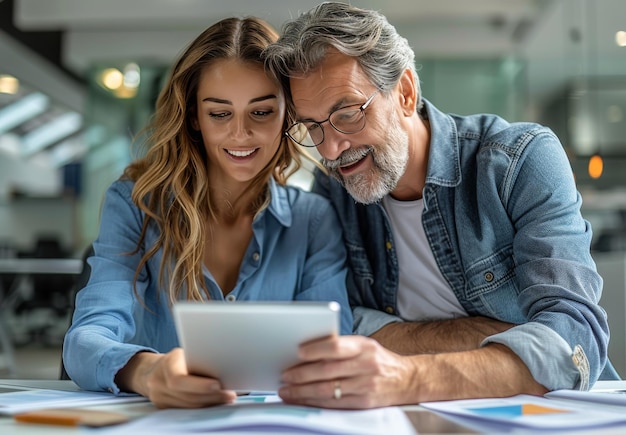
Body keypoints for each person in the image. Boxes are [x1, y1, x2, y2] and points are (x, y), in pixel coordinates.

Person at [263, 1, 620, 409]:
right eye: (312, 126)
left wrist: (410, 376)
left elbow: (574, 335)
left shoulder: (518, 161)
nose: (330, 148)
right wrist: (500, 336)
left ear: (405, 92)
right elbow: (344, 326)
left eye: (346, 114)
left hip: (557, 411)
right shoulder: (334, 194)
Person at [63, 16, 353, 409]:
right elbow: (84, 342)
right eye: (220, 114)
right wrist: (148, 372)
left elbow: (336, 349)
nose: (240, 134)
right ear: (195, 118)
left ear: (289, 115)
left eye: (262, 112)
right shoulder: (135, 204)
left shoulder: (314, 220)